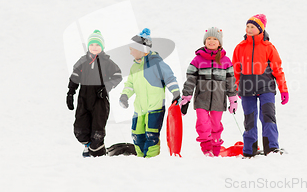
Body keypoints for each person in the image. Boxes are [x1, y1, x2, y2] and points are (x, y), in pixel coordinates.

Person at [232, 14, 289, 157]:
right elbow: (235, 70)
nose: (249, 29)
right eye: (247, 26)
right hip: (246, 88)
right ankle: (249, 150)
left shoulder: (268, 47)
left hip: (266, 87)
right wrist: (237, 86)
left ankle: (272, 148)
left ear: (260, 29)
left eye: (253, 27)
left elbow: (277, 69)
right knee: (249, 118)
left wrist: (284, 89)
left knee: (268, 116)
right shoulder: (240, 47)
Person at [119, 28, 181, 158]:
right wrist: (125, 95)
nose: (130, 53)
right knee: (137, 134)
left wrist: (175, 92)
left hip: (155, 107)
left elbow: (169, 78)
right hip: (139, 108)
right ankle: (141, 157)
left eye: (132, 49)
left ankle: (151, 160)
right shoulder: (134, 67)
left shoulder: (157, 63)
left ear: (142, 49)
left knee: (151, 135)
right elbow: (130, 84)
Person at [180, 27, 238, 157]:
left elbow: (231, 82)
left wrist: (233, 99)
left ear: (220, 43)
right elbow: (190, 80)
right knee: (202, 122)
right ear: (205, 41)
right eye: (208, 39)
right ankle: (206, 147)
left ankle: (216, 148)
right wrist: (186, 97)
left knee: (216, 124)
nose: (211, 41)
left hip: (219, 99)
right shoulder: (197, 60)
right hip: (202, 98)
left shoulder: (226, 61)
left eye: (214, 39)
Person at [66, 30, 123, 157]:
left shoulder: (107, 62)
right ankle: (88, 146)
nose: (94, 47)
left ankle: (97, 154)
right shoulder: (82, 61)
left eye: (97, 45)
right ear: (88, 46)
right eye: (92, 45)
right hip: (84, 99)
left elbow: (118, 75)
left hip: (99, 100)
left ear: (102, 47)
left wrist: (106, 87)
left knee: (97, 132)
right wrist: (70, 93)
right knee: (80, 130)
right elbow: (74, 77)